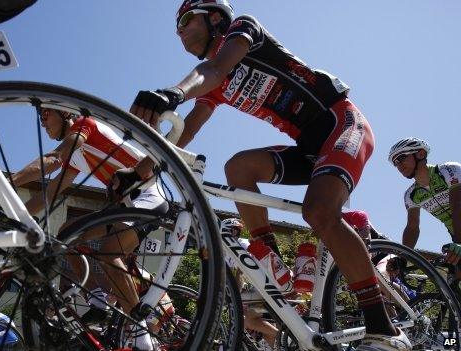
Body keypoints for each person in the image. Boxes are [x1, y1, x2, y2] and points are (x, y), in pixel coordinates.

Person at [114, 1, 411, 348]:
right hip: (309, 148)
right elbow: (185, 131)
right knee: (238, 168)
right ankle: (270, 260)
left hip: (341, 123)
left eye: (185, 20)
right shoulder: (213, 83)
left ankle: (384, 328)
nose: (179, 31)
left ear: (214, 18)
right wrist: (138, 171)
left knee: (317, 211)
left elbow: (215, 67)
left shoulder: (244, 28)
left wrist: (174, 93)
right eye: (177, 27)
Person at [0, 108, 168, 350]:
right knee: (66, 236)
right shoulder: (76, 156)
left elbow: (53, 159)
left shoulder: (85, 125)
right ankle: (98, 300)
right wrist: (11, 219)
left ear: (65, 114)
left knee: (108, 252)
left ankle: (141, 336)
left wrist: (3, 183)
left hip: (149, 195)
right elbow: (49, 195)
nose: (42, 122)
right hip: (123, 205)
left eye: (45, 115)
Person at [389, 137, 461, 270]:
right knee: (454, 282)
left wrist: (459, 243)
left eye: (401, 158)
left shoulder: (449, 170)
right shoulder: (411, 195)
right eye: (395, 163)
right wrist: (403, 257)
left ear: (420, 154)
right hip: (456, 235)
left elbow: (457, 205)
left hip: (458, 237)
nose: (398, 166)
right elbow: (412, 228)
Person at [221, 217, 278, 349]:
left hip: (268, 284)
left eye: (236, 232)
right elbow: (232, 280)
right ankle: (281, 338)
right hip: (262, 287)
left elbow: (240, 275)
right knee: (267, 335)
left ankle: (285, 335)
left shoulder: (243, 245)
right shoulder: (226, 253)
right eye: (232, 232)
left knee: (245, 320)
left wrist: (231, 296)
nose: (235, 235)